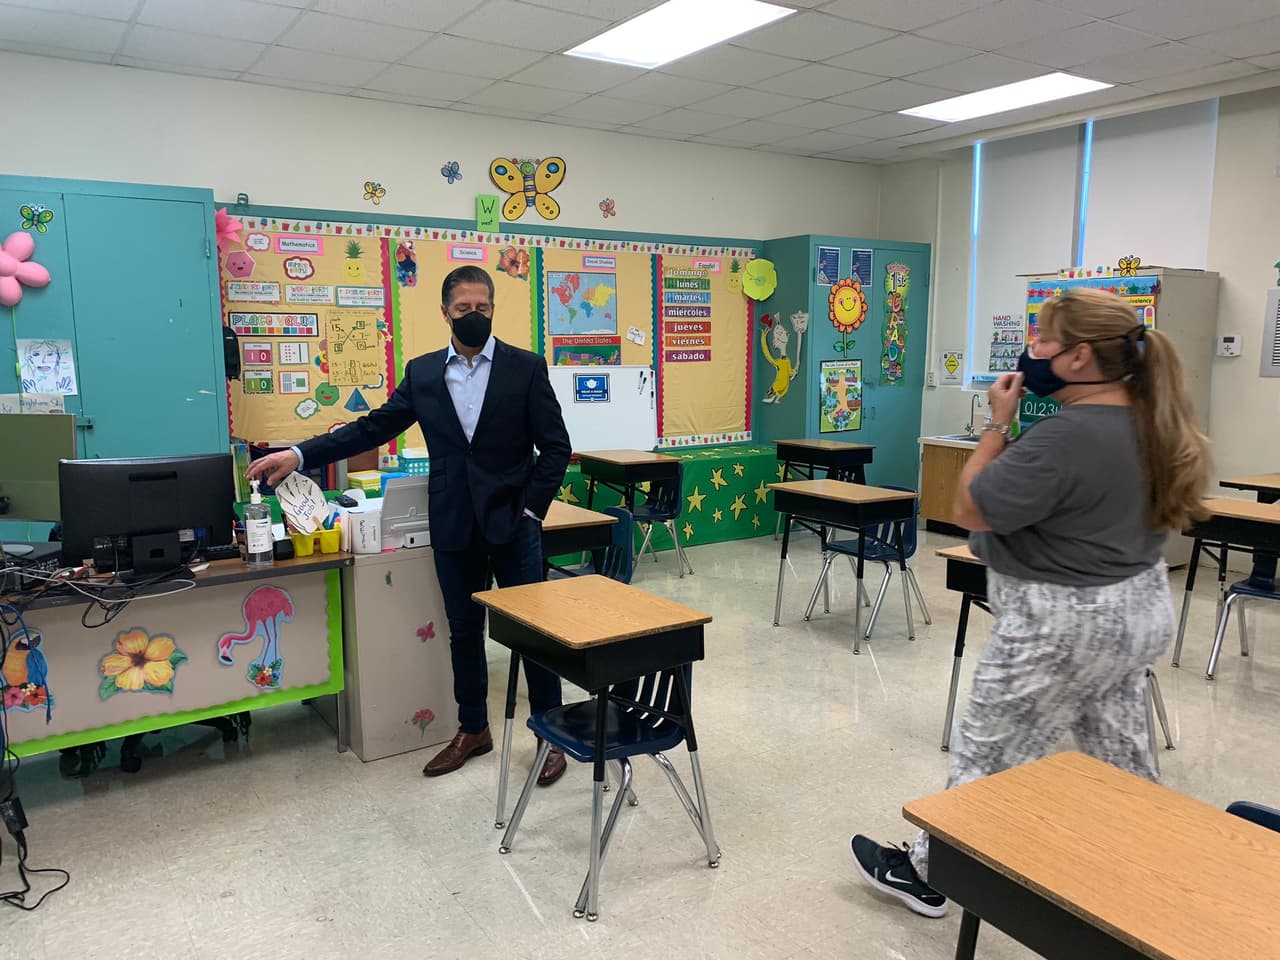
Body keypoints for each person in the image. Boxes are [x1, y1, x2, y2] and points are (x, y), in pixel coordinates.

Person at [851, 287, 1209, 917]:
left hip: (1061, 625)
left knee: (988, 749)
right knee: (1118, 750)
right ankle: (1145, 872)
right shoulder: (1152, 422)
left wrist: (997, 425)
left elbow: (968, 506)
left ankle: (933, 874)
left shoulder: (1067, 434)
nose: (1032, 349)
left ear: (1077, 358)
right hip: (1136, 610)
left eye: (1043, 338)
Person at [247, 265, 572, 784]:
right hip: (452, 524)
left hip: (515, 526)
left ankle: (552, 734)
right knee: (462, 633)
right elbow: (371, 427)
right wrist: (299, 452)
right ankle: (473, 728)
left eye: (482, 308)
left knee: (532, 634)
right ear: (445, 312)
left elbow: (556, 447)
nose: (473, 316)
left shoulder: (526, 368)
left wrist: (532, 510)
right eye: (463, 309)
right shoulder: (424, 374)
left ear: (492, 308)